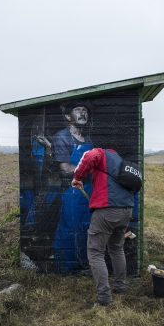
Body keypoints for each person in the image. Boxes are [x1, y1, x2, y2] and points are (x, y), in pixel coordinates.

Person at [71, 148, 134, 306]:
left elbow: (89, 156)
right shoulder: (119, 161)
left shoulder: (100, 153)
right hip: (126, 210)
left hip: (107, 210)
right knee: (116, 248)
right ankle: (120, 286)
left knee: (95, 253)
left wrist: (78, 177)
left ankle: (104, 298)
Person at [51, 101, 93, 273]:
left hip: (89, 190)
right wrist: (88, 169)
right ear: (68, 116)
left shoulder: (88, 139)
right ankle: (66, 267)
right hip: (72, 191)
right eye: (78, 110)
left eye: (85, 110)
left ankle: (84, 264)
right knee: (70, 227)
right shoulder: (61, 137)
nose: (83, 113)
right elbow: (65, 167)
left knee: (87, 227)